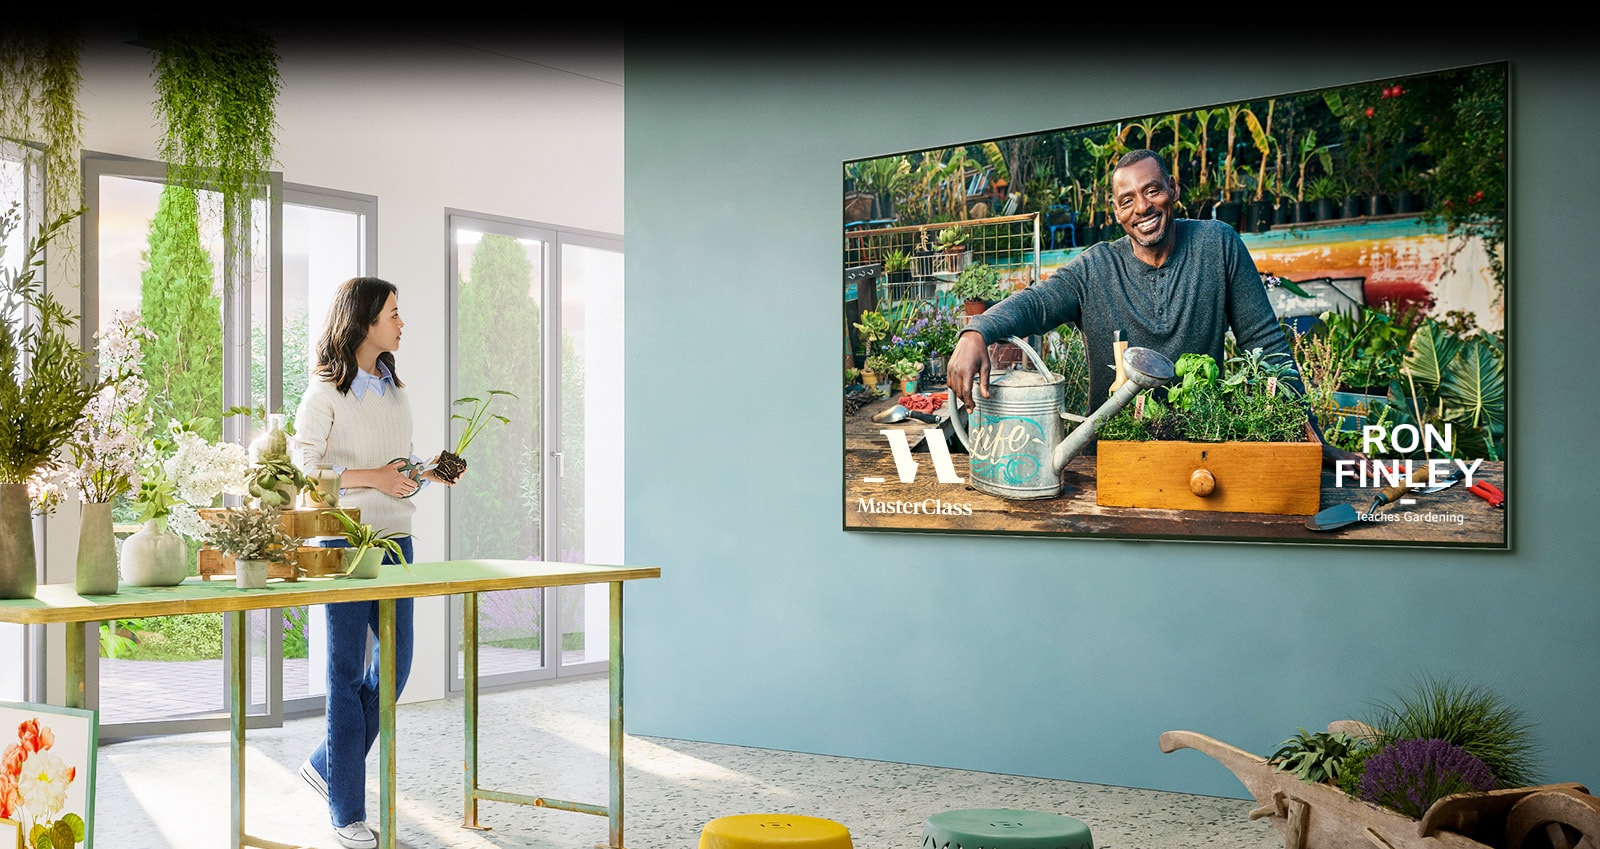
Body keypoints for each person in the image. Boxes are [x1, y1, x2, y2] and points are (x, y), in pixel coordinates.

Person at [948, 148, 1358, 464]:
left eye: (1152, 191)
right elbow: (1036, 303)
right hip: (1112, 458)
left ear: (1173, 189)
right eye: (1126, 200)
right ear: (1116, 212)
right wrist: (976, 330)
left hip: (1200, 451)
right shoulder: (1096, 268)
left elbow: (1266, 345)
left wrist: (1313, 441)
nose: (1141, 207)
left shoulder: (1218, 245)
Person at [291, 276, 452, 849]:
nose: (401, 323)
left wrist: (423, 472)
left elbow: (398, 474)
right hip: (341, 543)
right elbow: (301, 478)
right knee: (343, 673)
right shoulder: (323, 396)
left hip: (396, 543)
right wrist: (371, 477)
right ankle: (346, 813)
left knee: (396, 668)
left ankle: (325, 762)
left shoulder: (396, 392)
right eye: (393, 314)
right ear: (362, 322)